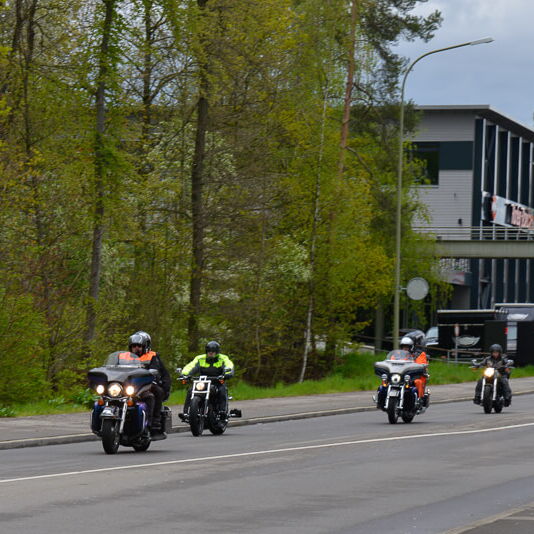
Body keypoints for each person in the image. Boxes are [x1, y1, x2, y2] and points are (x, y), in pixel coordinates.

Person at [128, 331, 171, 439]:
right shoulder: (125, 357)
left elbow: (157, 370)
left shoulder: (152, 356)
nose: (136, 348)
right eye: (134, 346)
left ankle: (154, 425)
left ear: (145, 346)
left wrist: (162, 384)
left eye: (139, 346)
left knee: (152, 395)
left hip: (146, 385)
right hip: (129, 385)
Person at [179, 341, 234, 421]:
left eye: (213, 352)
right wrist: (184, 374)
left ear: (217, 352)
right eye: (209, 351)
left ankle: (222, 412)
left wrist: (227, 374)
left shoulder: (223, 358)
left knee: (222, 390)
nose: (210, 353)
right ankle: (186, 413)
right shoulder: (200, 358)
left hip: (217, 381)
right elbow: (191, 366)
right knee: (191, 390)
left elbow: (229, 366)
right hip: (203, 382)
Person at [400, 334, 429, 405]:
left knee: (418, 382)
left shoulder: (419, 355)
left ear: (411, 347)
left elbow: (421, 364)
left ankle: (419, 400)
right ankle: (381, 399)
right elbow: (392, 361)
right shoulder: (398, 355)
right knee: (387, 381)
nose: (405, 349)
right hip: (400, 376)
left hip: (413, 376)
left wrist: (421, 366)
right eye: (403, 347)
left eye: (407, 347)